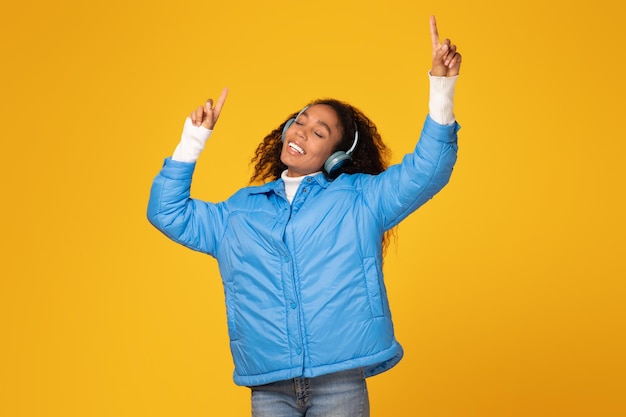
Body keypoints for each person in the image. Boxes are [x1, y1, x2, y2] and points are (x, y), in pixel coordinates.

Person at [147, 15, 461, 417]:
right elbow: (166, 211)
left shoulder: (359, 200)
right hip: (268, 385)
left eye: (319, 132)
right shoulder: (239, 212)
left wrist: (442, 87)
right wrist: (192, 141)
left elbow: (428, 169)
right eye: (300, 121)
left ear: (337, 154)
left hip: (339, 382)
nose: (301, 132)